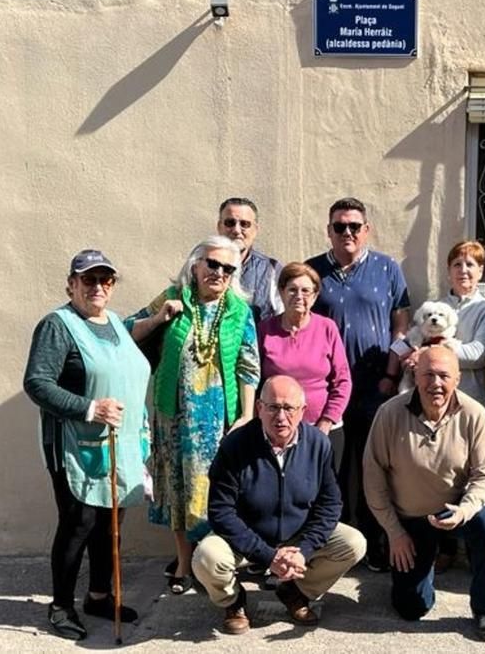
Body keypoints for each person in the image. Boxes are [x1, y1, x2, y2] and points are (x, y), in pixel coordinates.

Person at [23, 250, 150, 640]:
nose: (98, 287)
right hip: (74, 443)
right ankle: (61, 606)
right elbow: (37, 382)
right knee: (79, 523)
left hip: (118, 441)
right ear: (72, 284)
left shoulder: (114, 322)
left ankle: (98, 595)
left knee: (109, 523)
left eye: (105, 280)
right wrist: (89, 408)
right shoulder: (57, 326)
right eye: (89, 279)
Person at [127, 236, 260, 595]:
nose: (218, 272)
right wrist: (159, 318)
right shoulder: (173, 297)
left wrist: (246, 415)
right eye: (212, 264)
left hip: (218, 418)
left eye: (227, 269)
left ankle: (214, 561)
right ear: (196, 265)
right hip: (174, 415)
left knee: (217, 488)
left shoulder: (239, 311)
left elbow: (249, 366)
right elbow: (127, 333)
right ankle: (184, 564)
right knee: (178, 487)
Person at [191, 376, 366, 635]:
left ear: (303, 412)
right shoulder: (235, 445)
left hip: (297, 535)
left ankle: (296, 592)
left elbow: (330, 505)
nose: (280, 417)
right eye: (273, 407)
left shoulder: (318, 444)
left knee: (353, 543)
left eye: (288, 408)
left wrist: (303, 551)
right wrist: (267, 556)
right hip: (247, 537)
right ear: (259, 408)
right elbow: (221, 512)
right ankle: (233, 602)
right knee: (207, 557)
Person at [363, 347, 485, 642]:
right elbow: (373, 477)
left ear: (457, 378)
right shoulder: (390, 413)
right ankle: (417, 571)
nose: (435, 383)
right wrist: (394, 533)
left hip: (456, 511)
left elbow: (484, 475)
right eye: (428, 374)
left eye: (444, 376)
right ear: (415, 376)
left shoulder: (473, 413)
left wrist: (465, 510)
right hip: (410, 518)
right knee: (412, 608)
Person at [306, 197, 411, 571]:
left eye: (354, 226)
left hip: (373, 386)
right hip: (328, 390)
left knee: (370, 467)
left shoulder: (387, 268)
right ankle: (330, 541)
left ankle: (370, 542)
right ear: (329, 230)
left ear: (366, 230)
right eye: (339, 226)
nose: (347, 232)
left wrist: (391, 375)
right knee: (328, 468)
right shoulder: (313, 271)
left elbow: (401, 324)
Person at [393, 239, 485, 573]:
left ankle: (474, 542)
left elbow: (480, 354)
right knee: (437, 473)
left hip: (470, 404)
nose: (463, 271)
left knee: (471, 474)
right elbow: (404, 344)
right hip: (431, 405)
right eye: (457, 264)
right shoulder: (435, 306)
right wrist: (410, 355)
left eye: (471, 265)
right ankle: (443, 546)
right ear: (448, 270)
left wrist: (434, 351)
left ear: (481, 270)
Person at [257, 262, 352, 473]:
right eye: (292, 289)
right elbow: (255, 380)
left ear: (315, 296)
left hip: (324, 429)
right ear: (281, 292)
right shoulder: (265, 330)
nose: (299, 296)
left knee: (325, 494)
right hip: (277, 429)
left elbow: (343, 380)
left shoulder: (327, 328)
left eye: (306, 290)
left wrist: (326, 422)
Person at [217, 197, 284, 323]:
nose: (237, 230)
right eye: (230, 223)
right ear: (219, 227)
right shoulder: (202, 265)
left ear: (255, 230)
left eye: (245, 224)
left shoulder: (271, 270)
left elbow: (283, 319)